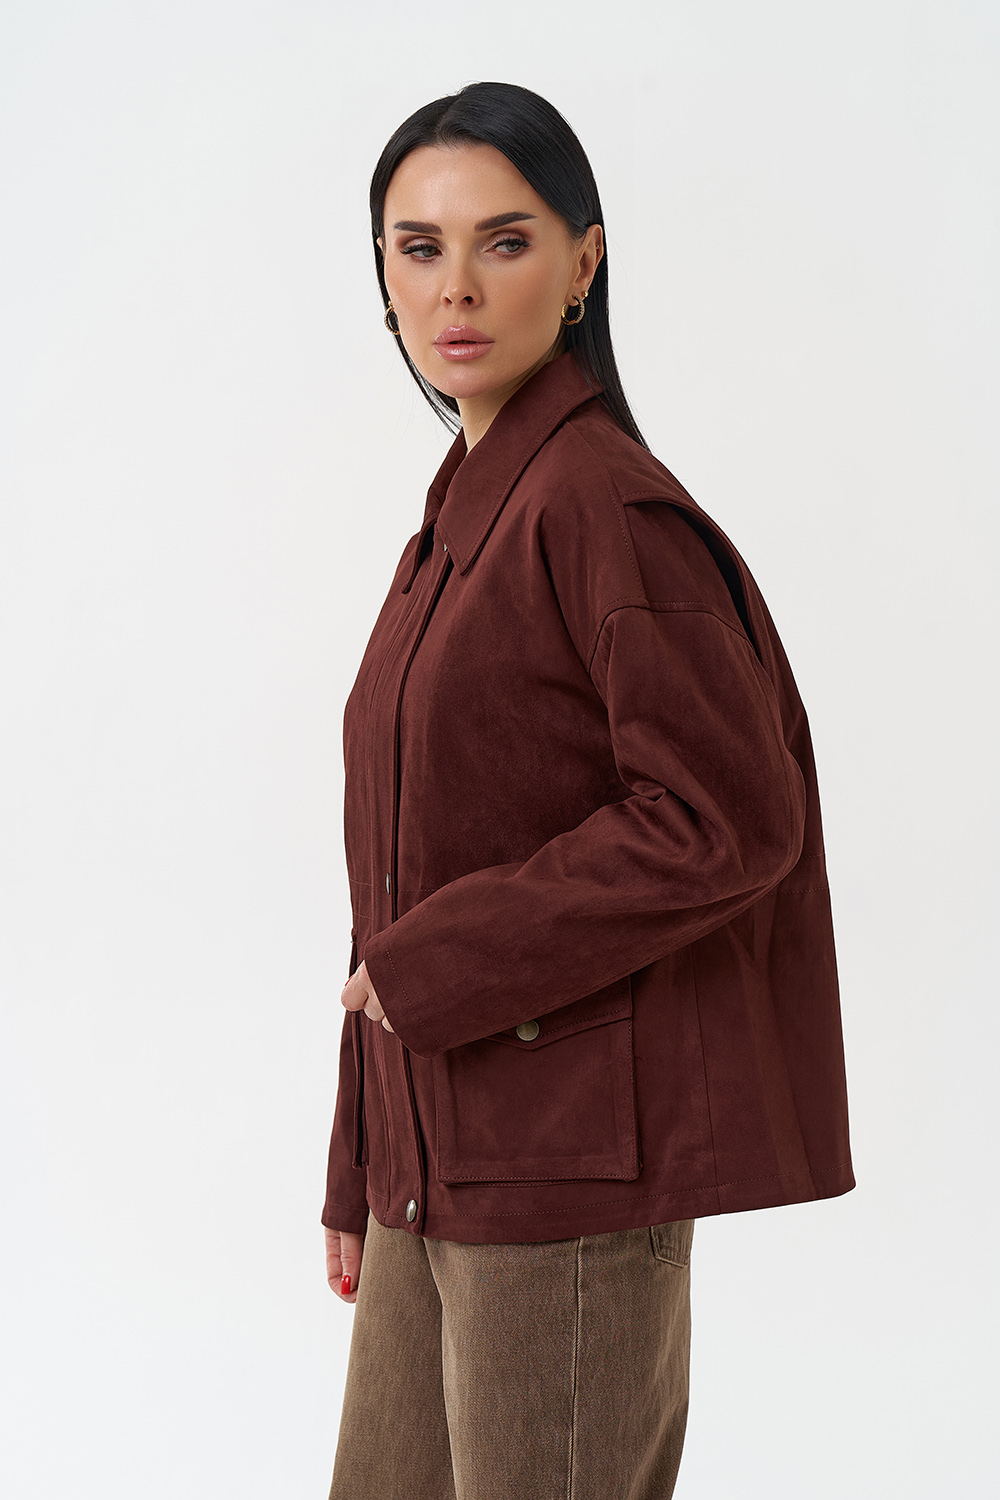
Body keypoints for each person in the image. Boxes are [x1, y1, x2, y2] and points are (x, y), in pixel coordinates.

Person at [322, 81, 854, 1500]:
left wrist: (433, 968)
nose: (455, 286)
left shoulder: (601, 505)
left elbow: (725, 818)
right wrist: (359, 1161)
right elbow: (404, 868)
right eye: (418, 246)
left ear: (583, 264)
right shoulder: (458, 518)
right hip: (434, 1167)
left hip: (561, 1176)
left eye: (503, 241)